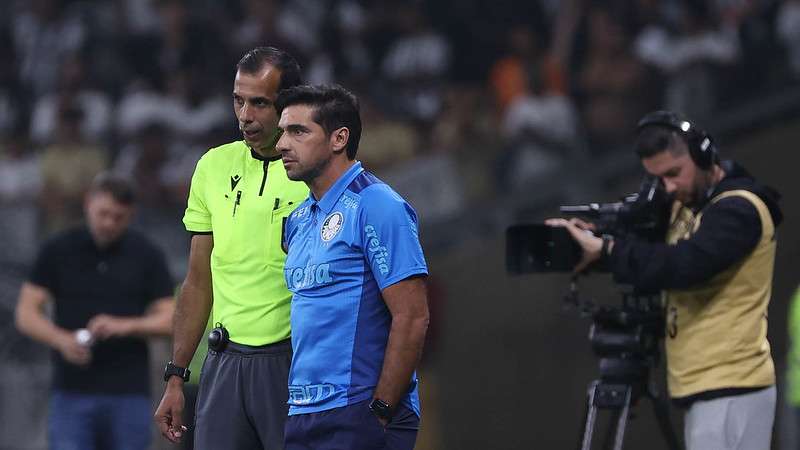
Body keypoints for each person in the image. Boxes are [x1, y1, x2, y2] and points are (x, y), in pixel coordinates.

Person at [548, 110, 782, 450]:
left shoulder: (740, 209)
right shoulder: (688, 205)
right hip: (705, 387)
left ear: (703, 156)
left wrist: (608, 251)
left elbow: (685, 264)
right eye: (658, 179)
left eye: (674, 173)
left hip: (733, 386)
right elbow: (644, 242)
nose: (668, 187)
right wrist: (591, 235)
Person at [153, 46, 308, 450]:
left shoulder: (315, 172)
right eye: (238, 101)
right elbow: (198, 279)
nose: (245, 116)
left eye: (259, 103)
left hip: (294, 363)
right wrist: (176, 374)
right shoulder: (211, 167)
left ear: (289, 103)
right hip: (224, 363)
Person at [276, 84, 430, 450]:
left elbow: (412, 317)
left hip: (359, 411)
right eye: (282, 131)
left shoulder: (377, 205)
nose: (282, 143)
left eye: (298, 131)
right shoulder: (298, 219)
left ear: (339, 138)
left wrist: (380, 408)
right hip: (303, 412)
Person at [15, 173, 175, 450]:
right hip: (71, 392)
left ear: (131, 215)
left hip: (129, 393)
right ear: (88, 204)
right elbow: (26, 313)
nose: (109, 223)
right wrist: (61, 340)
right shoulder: (58, 250)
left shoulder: (147, 254)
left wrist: (125, 326)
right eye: (104, 213)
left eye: (119, 217)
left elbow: (172, 318)